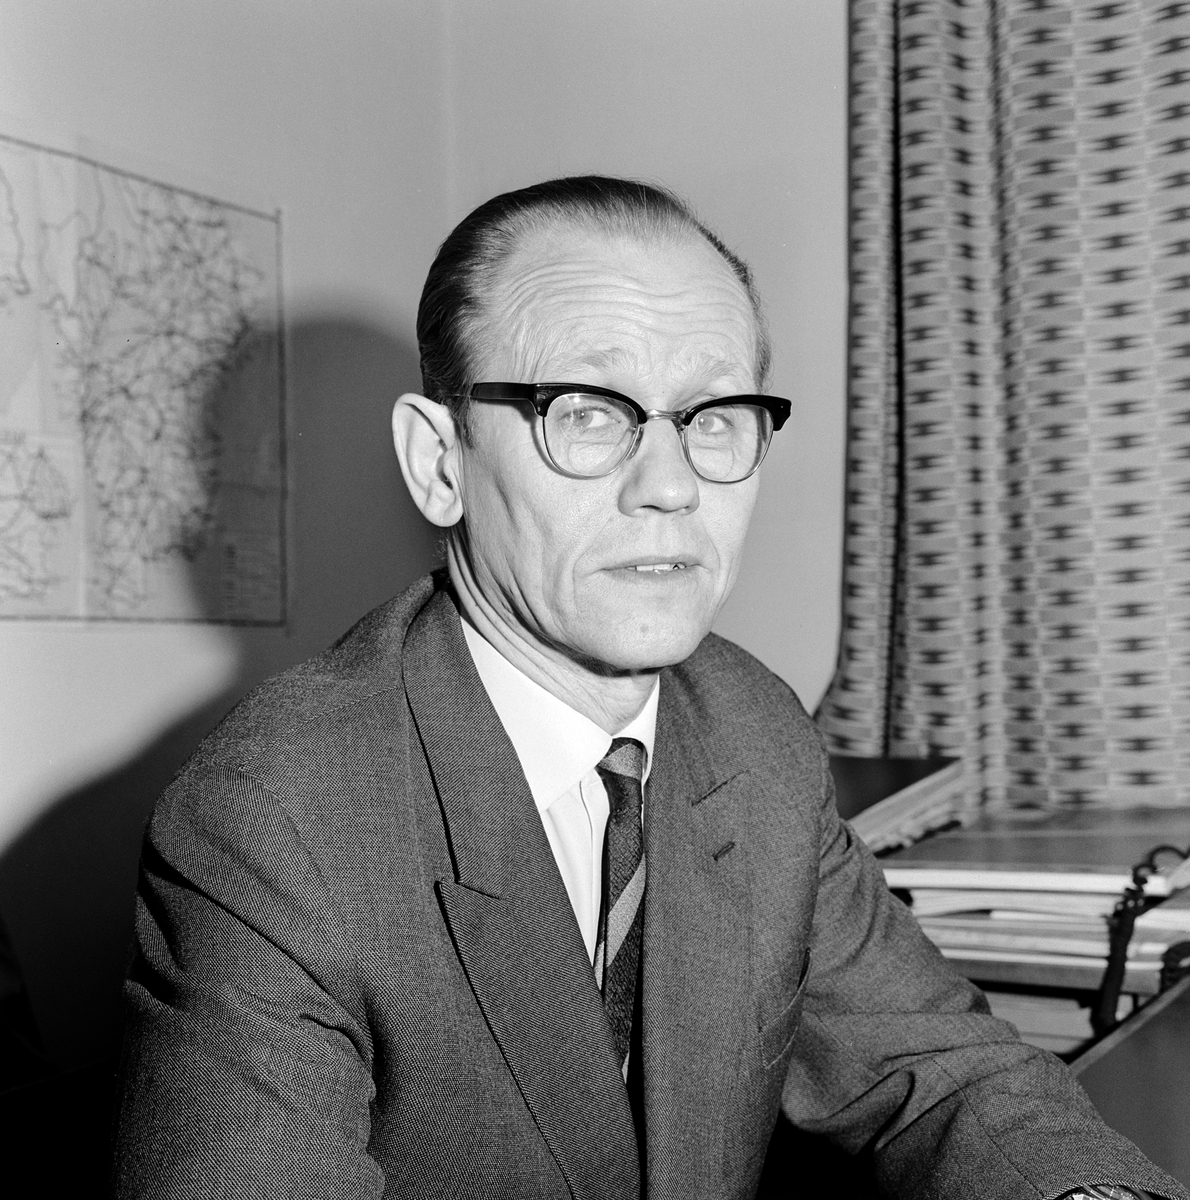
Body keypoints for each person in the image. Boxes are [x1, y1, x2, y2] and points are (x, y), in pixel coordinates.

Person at [113, 176, 1187, 1200]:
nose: (671, 486)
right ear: (440, 463)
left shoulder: (750, 728)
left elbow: (939, 1071)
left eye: (712, 415)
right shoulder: (274, 819)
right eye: (586, 411)